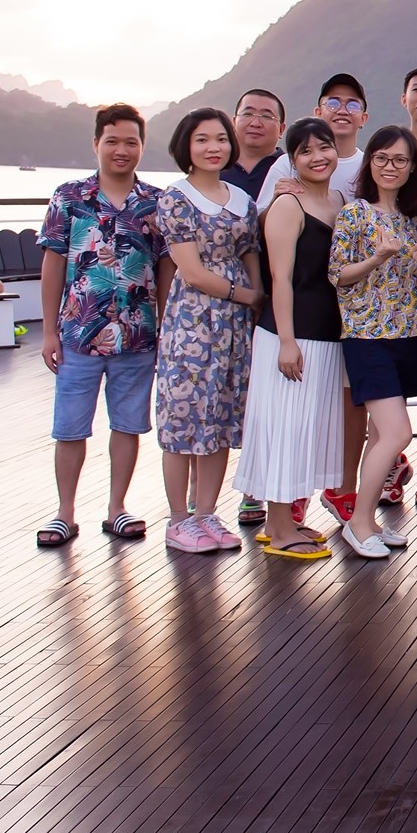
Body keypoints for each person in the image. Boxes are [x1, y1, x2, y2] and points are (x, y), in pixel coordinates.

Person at [34, 103, 171, 550]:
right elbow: (53, 265)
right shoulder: (69, 197)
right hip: (77, 334)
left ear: (142, 146)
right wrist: (49, 331)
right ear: (96, 143)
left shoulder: (155, 203)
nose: (121, 150)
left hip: (137, 334)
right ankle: (64, 513)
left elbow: (166, 269)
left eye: (131, 141)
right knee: (70, 427)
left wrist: (165, 328)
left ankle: (117, 508)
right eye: (112, 141)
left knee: (128, 425)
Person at [231, 118, 345, 561]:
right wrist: (286, 341)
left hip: (328, 333)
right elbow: (280, 280)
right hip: (292, 334)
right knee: (285, 426)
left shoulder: (339, 201)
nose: (318, 157)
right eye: (305, 151)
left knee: (305, 429)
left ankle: (286, 520)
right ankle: (277, 527)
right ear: (292, 161)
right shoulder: (287, 206)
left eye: (325, 147)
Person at [152, 108, 260, 553]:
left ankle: (207, 514)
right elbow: (192, 272)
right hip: (193, 321)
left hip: (234, 325)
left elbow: (250, 251)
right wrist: (246, 295)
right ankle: (179, 520)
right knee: (183, 417)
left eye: (220, 139)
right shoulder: (176, 198)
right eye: (202, 140)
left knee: (219, 417)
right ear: (186, 146)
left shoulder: (242, 199)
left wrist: (259, 298)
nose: (213, 147)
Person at [327, 126, 417, 561]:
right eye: (382, 158)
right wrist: (377, 258)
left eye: (400, 160)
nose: (390, 167)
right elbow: (338, 275)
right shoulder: (354, 214)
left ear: (412, 168)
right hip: (366, 337)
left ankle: (369, 520)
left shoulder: (413, 222)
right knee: (398, 433)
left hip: (407, 336)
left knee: (380, 436)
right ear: (370, 162)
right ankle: (357, 522)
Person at [256, 74, 369, 208]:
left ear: (363, 118)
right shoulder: (288, 164)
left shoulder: (370, 168)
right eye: (333, 104)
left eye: (353, 105)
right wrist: (277, 201)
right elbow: (260, 216)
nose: (343, 111)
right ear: (318, 113)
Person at [224, 88, 286, 201]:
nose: (255, 123)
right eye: (247, 114)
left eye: (266, 116)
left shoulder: (291, 169)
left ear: (281, 130)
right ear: (234, 122)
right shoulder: (215, 166)